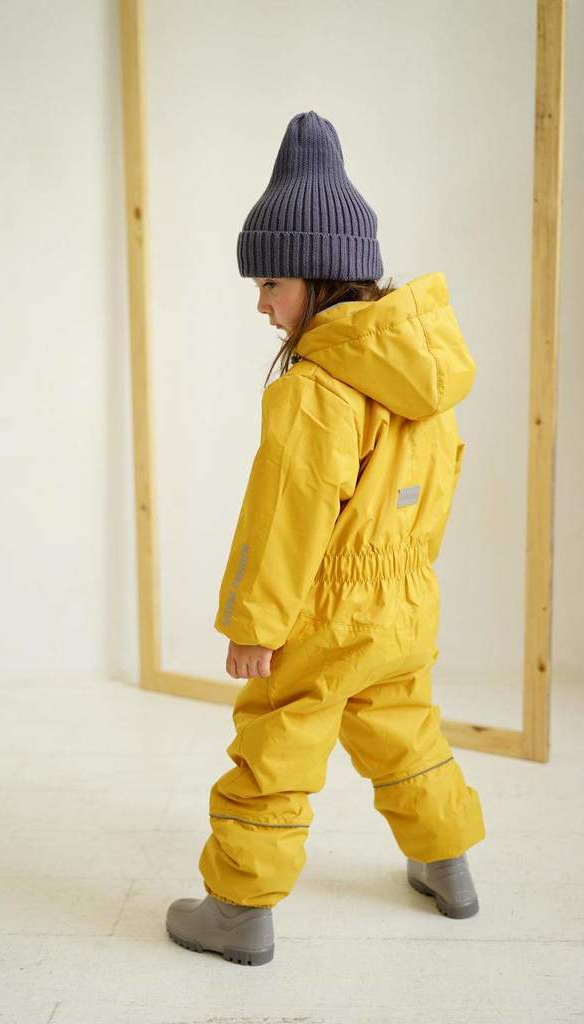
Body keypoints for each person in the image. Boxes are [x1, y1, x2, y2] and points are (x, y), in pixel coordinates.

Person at [166, 110, 486, 966]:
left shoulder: (315, 389)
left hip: (327, 611)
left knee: (278, 742)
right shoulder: (424, 381)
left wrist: (255, 623)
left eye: (271, 284)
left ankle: (237, 909)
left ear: (318, 275)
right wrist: (403, 578)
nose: (263, 306)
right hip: (407, 600)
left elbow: (286, 517)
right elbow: (440, 486)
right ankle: (447, 865)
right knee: (407, 730)